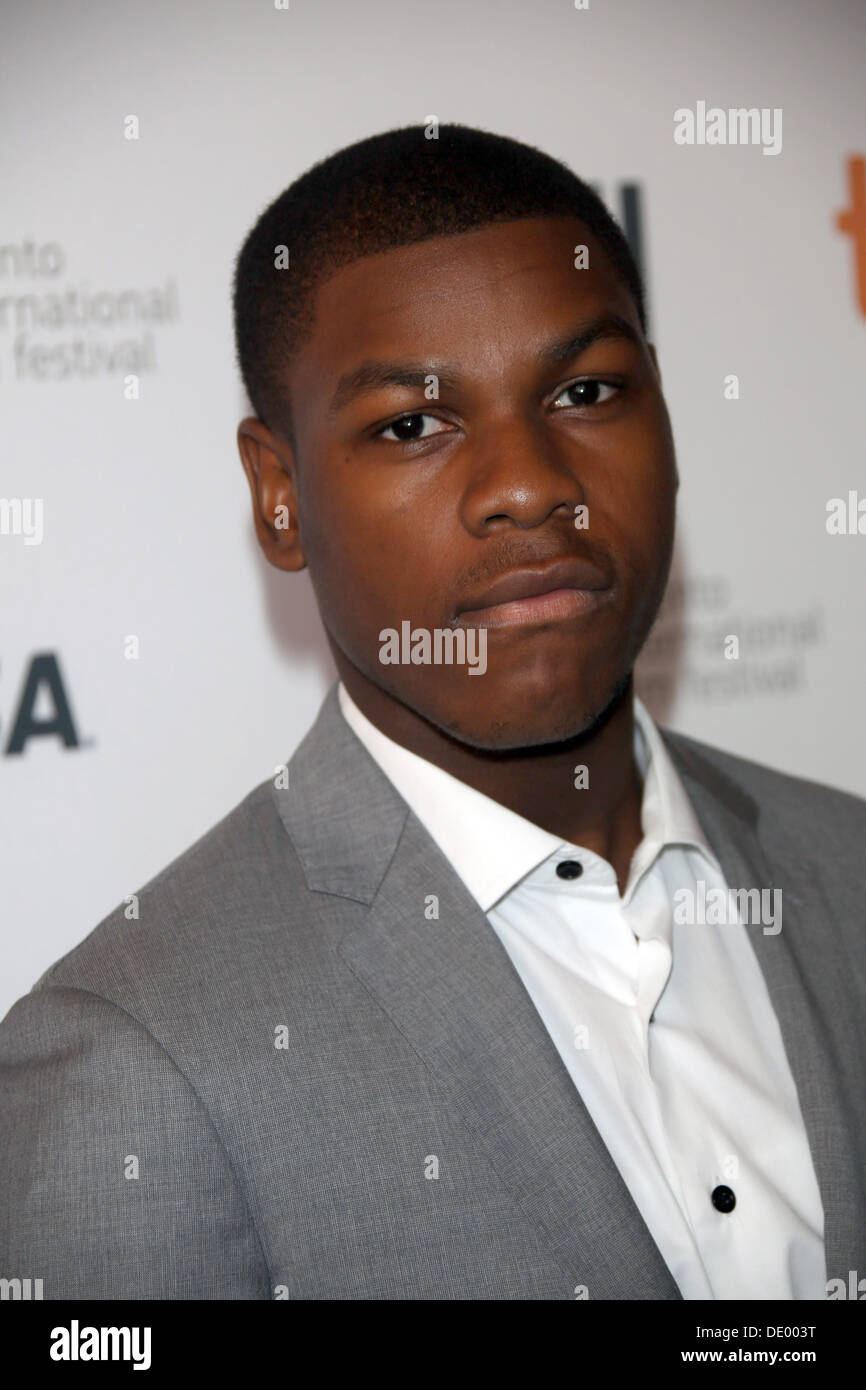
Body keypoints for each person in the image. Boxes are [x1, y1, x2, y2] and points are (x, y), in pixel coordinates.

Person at [2, 124, 864, 1301]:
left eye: (585, 390)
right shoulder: (134, 1065)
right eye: (412, 422)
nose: (529, 486)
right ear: (280, 497)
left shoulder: (844, 864)